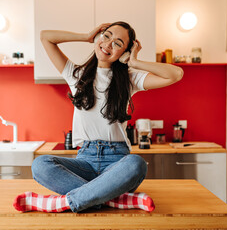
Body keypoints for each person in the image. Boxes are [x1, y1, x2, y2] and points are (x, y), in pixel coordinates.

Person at [13, 21, 183, 213]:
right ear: (98, 37)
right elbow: (46, 36)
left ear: (125, 52)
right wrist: (85, 36)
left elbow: (175, 74)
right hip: (84, 160)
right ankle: (111, 199)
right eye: (107, 36)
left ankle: (65, 202)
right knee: (40, 165)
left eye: (118, 43)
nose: (109, 44)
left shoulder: (130, 78)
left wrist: (135, 62)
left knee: (137, 164)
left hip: (118, 162)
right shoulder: (75, 74)